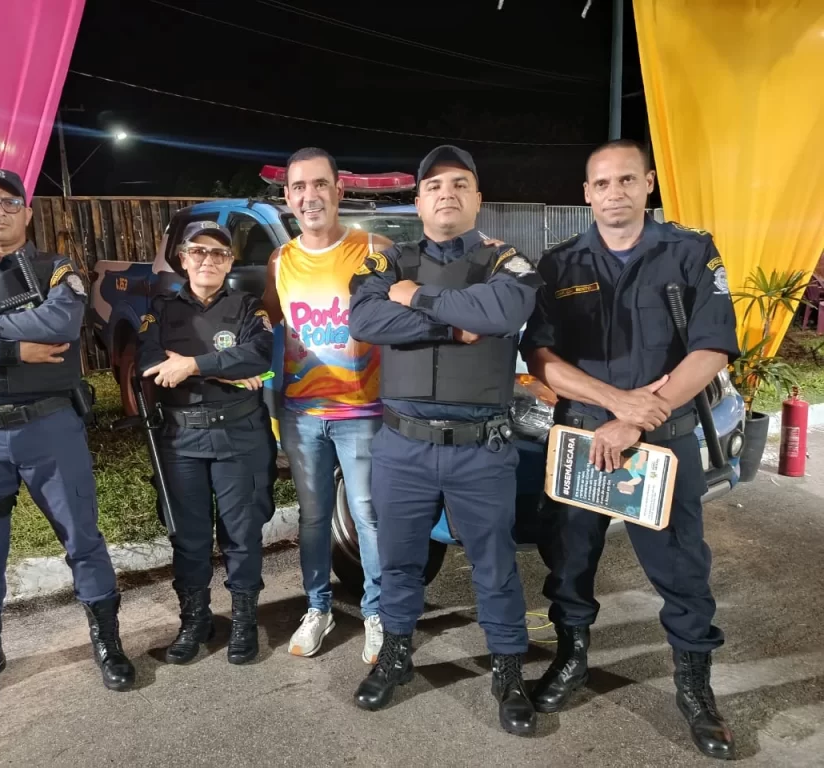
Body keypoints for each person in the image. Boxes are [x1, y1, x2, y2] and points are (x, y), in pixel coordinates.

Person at [521, 138, 739, 760]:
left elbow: (711, 349)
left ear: (648, 184)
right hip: (583, 438)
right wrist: (615, 407)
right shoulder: (560, 265)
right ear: (586, 193)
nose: (613, 193)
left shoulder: (691, 252)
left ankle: (695, 689)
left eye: (625, 180)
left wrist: (641, 418)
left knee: (681, 570)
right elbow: (541, 357)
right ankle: (572, 660)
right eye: (601, 183)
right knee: (569, 559)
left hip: (661, 439)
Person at [0, 169, 135, 709]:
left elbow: (60, 324)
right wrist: (12, 347)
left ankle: (108, 643)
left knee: (82, 537)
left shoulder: (55, 269)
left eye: (9, 202)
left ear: (26, 211)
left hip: (49, 429)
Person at [347, 145, 543, 735]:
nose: (447, 194)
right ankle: (396, 657)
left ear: (478, 198)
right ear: (418, 201)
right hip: (401, 446)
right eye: (434, 186)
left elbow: (507, 308)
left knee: (495, 565)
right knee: (400, 563)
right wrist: (456, 323)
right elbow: (365, 320)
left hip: (480, 448)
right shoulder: (387, 262)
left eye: (460, 184)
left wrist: (420, 299)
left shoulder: (504, 260)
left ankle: (509, 671)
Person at [261, 147, 388, 664]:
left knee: (368, 517)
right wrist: (268, 393)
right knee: (313, 519)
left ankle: (378, 613)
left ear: (339, 190)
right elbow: (274, 333)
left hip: (362, 411)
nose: (309, 195)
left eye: (319, 184)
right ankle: (318, 608)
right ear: (288, 197)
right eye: (298, 187)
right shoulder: (280, 261)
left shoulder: (373, 248)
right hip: (301, 414)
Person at [138, 221, 276, 666]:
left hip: (239, 435)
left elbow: (259, 356)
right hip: (180, 438)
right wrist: (223, 369)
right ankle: (195, 621)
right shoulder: (159, 310)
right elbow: (148, 362)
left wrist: (193, 365)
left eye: (218, 254)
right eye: (198, 251)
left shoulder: (248, 306)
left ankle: (243, 621)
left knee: (242, 534)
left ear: (230, 262)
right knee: (190, 538)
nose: (207, 260)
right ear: (182, 258)